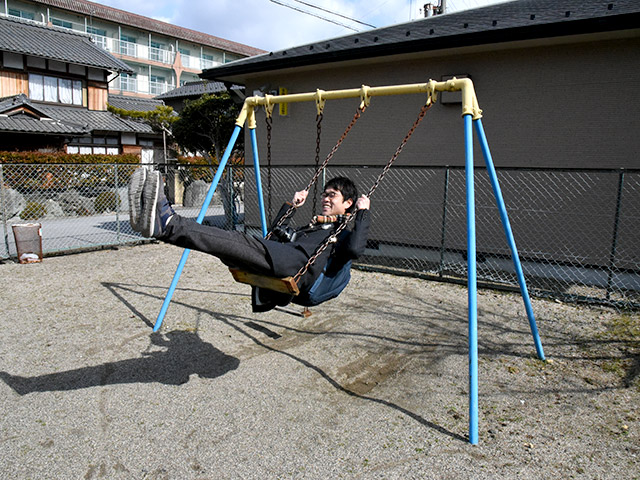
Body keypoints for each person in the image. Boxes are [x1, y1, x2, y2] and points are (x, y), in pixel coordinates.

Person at [128, 168, 371, 311]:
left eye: (332, 196)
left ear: (348, 203)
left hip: (295, 266)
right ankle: (159, 226)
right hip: (284, 259)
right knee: (225, 246)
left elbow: (356, 250)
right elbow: (277, 232)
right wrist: (292, 206)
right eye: (324, 195)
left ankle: (167, 223)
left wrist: (363, 212)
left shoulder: (342, 234)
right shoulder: (314, 227)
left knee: (236, 240)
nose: (325, 199)